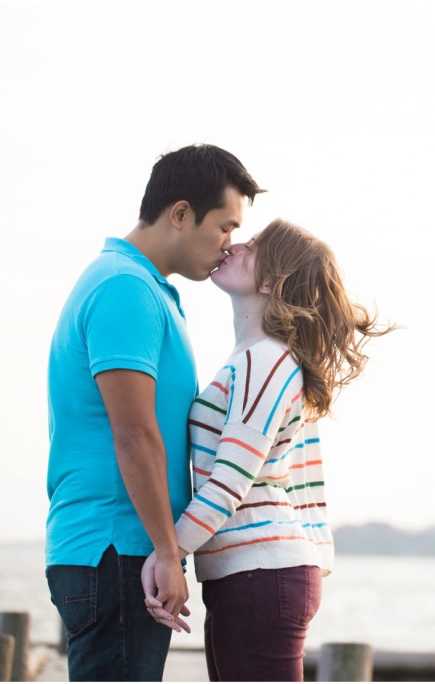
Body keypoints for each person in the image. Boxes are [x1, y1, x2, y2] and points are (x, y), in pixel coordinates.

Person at [45, 144, 263, 681]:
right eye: (224, 227)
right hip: (117, 550)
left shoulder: (144, 287)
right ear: (181, 213)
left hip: (122, 549)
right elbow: (135, 433)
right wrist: (168, 553)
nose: (227, 245)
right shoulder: (125, 288)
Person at [141, 218, 392, 681]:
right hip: (252, 574)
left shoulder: (267, 359)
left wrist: (168, 552)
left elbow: (231, 480)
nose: (233, 246)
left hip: (259, 575)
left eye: (252, 247)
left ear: (274, 280)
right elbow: (295, 478)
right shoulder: (261, 358)